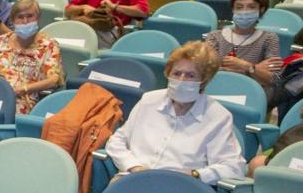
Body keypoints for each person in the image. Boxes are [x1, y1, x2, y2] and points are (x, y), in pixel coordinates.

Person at [104, 41, 246, 183]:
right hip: (133, 179)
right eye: (177, 73)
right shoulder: (149, 101)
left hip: (180, 188)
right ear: (168, 74)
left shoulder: (218, 116)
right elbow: (117, 141)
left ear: (203, 80)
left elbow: (234, 167)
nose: (181, 80)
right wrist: (133, 166)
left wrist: (196, 174)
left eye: (190, 75)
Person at [0, 0, 64, 113]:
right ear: (13, 20)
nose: (25, 21)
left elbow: (53, 80)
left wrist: (22, 89)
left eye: (30, 16)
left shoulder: (48, 45)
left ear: (38, 18)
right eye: (20, 17)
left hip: (20, 99)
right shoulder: (2, 40)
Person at [203, 0, 283, 92]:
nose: (244, 11)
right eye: (239, 7)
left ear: (261, 9)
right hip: (216, 89)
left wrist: (246, 66)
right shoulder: (214, 36)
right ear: (233, 10)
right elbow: (205, 70)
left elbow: (274, 80)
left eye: (251, 7)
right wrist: (254, 69)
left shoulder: (269, 38)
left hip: (250, 93)